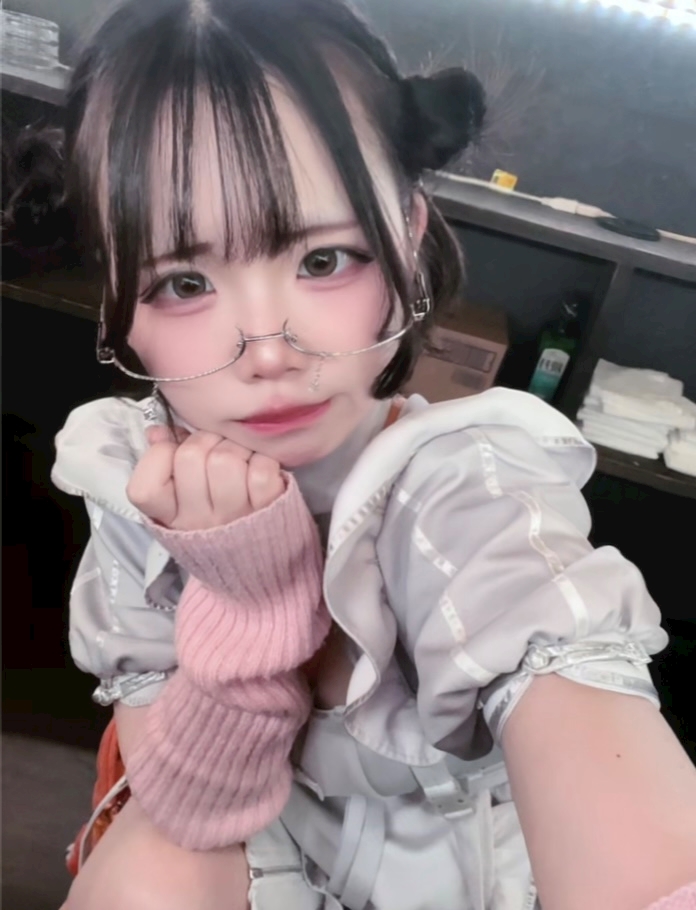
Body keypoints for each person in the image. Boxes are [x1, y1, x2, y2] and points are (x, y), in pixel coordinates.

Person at [33, 0, 696, 907]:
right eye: (184, 281)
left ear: (409, 237)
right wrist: (251, 605)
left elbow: (573, 694)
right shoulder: (134, 478)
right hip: (255, 836)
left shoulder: (467, 486)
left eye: (323, 261)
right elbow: (192, 810)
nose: (270, 350)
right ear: (114, 295)